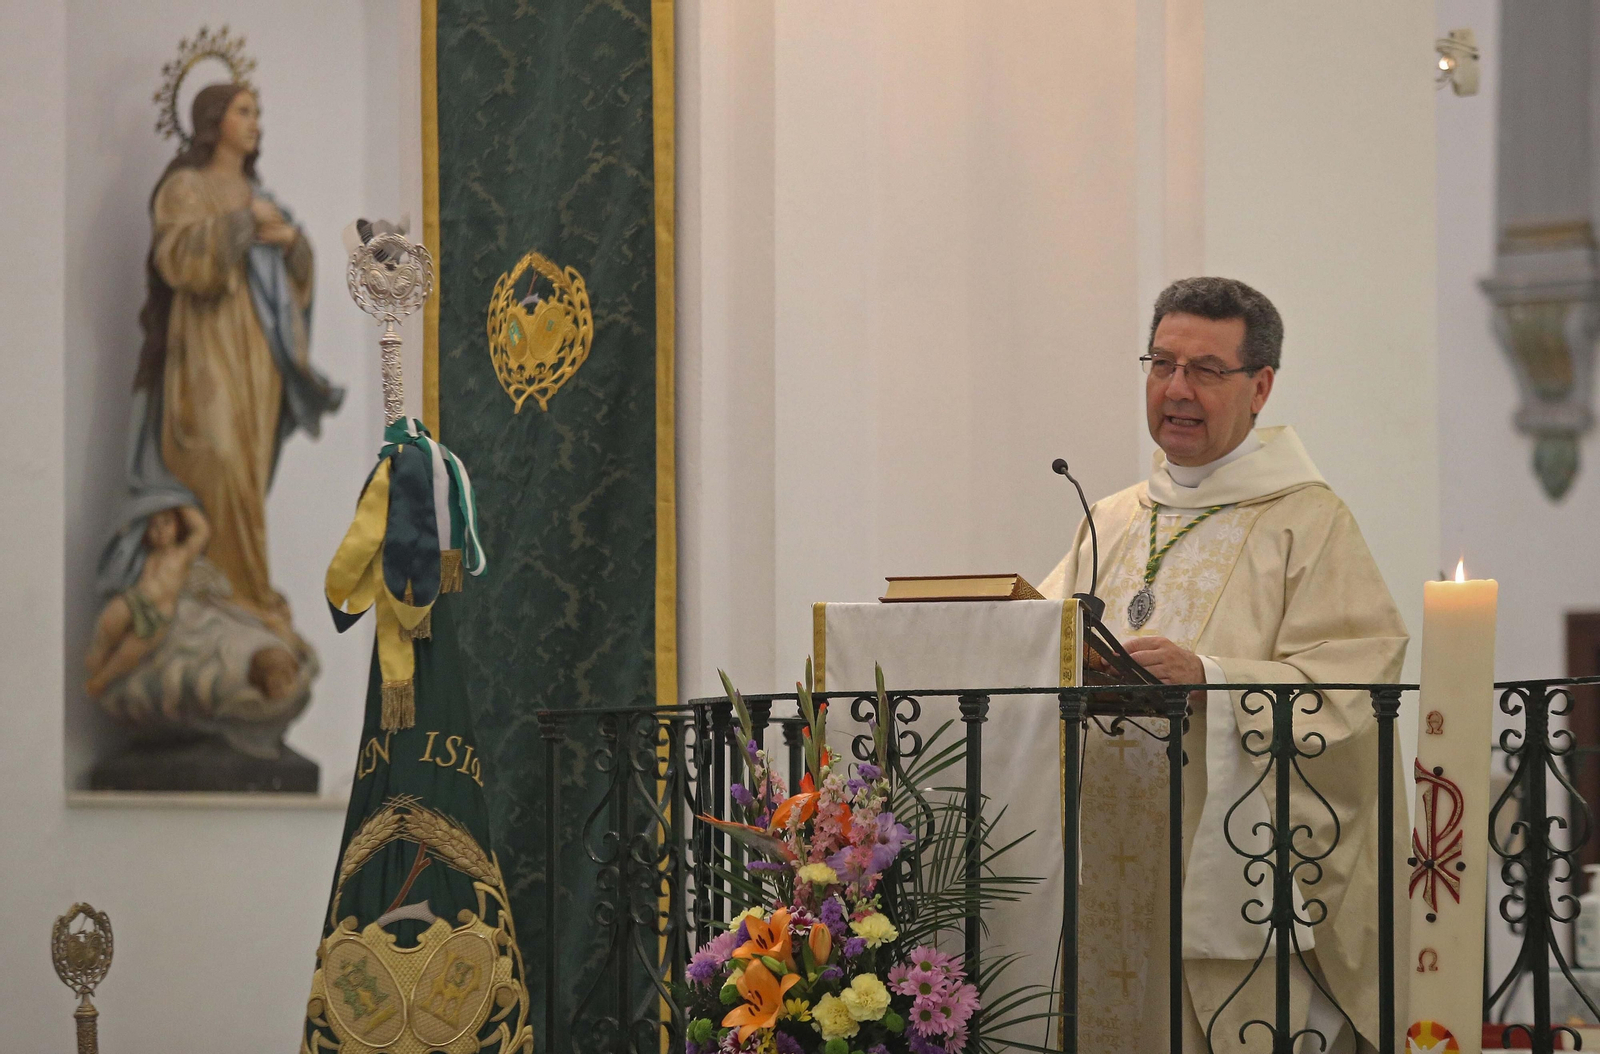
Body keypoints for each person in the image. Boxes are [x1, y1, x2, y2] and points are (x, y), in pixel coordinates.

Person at [1040, 277, 1408, 1053]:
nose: (1177, 389)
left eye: (1205, 370)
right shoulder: (1109, 518)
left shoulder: (1306, 521)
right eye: (1161, 363)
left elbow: (1356, 689)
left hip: (1234, 891)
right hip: (1102, 877)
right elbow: (1036, 649)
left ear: (1260, 387)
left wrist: (1213, 678)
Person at [86, 505, 209, 697]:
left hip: (159, 613)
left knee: (131, 651)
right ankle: (97, 653)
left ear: (179, 526)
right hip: (136, 599)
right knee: (110, 617)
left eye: (167, 522)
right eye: (153, 525)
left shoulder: (182, 554)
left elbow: (202, 530)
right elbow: (124, 547)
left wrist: (180, 502)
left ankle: (103, 679)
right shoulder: (144, 554)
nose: (160, 530)